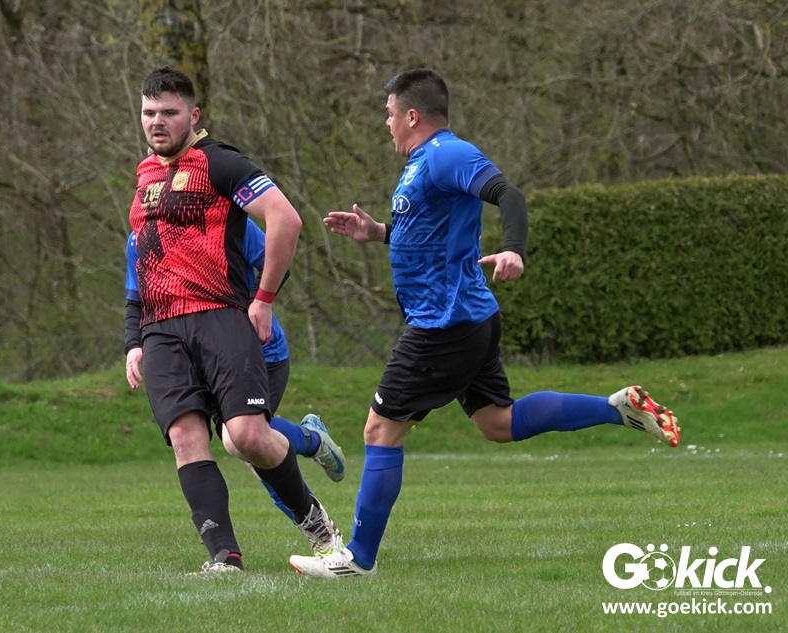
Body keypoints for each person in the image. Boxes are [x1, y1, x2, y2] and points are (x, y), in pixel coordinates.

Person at [288, 68, 681, 579]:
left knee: (380, 429)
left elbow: (508, 194)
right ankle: (615, 409)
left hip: (443, 325)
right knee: (498, 422)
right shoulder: (422, 163)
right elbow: (430, 233)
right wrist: (380, 232)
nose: (386, 123)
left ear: (412, 115)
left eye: (389, 114)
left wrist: (514, 249)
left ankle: (357, 559)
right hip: (467, 317)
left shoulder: (448, 153)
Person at [127, 66, 344, 573]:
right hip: (161, 329)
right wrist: (133, 339)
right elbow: (138, 267)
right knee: (186, 439)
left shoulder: (219, 162)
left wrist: (263, 299)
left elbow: (286, 219)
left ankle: (321, 530)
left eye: (169, 113)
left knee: (245, 437)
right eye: (149, 113)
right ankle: (225, 558)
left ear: (193, 115)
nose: (157, 122)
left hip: (220, 317)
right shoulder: (146, 175)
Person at [124, 221, 346, 522]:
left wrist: (251, 309)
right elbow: (136, 300)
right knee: (246, 445)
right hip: (200, 361)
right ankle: (315, 510)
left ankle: (312, 456)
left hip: (260, 354)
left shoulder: (226, 218)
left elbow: (277, 262)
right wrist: (134, 345)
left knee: (242, 441)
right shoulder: (140, 237)